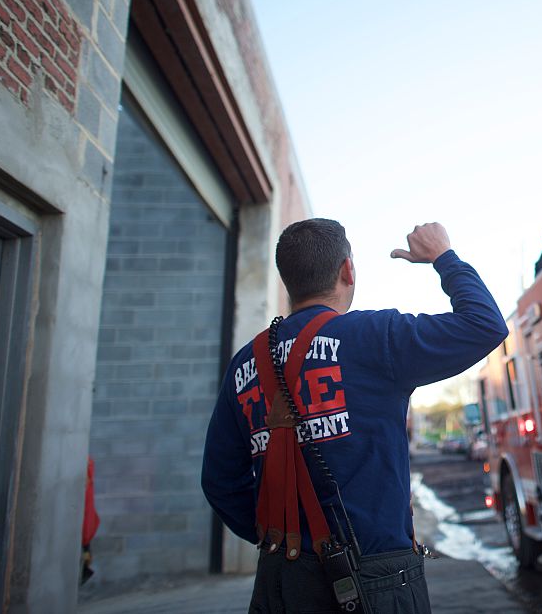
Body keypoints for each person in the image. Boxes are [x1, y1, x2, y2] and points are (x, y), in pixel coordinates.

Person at [202, 219, 507, 613]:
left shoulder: (246, 365)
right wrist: (443, 257)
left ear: (287, 279)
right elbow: (485, 326)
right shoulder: (374, 337)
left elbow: (220, 481)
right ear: (348, 269)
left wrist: (282, 538)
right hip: (377, 580)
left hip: (280, 579)